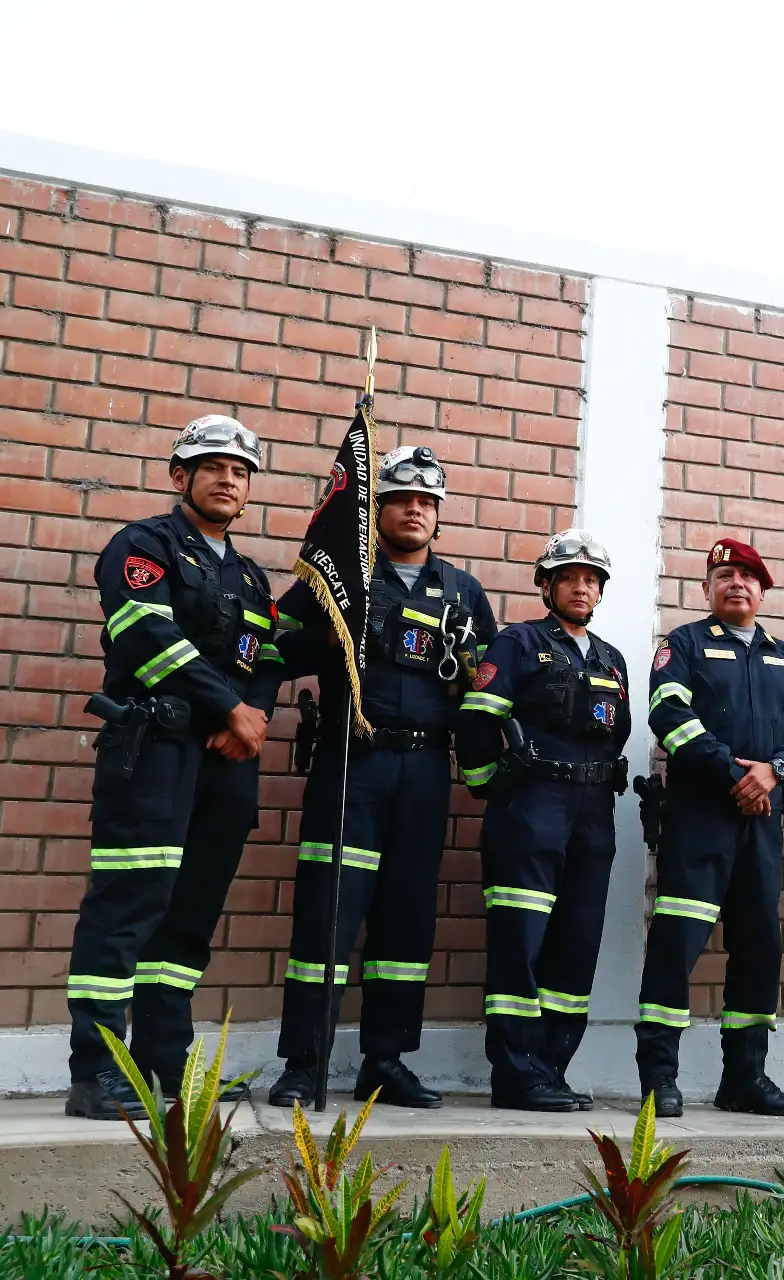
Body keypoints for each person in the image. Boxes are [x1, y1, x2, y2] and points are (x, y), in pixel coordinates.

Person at [63, 416, 279, 1119]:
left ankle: (165, 1065)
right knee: (126, 911)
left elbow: (264, 659)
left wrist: (249, 717)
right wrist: (228, 710)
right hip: (155, 752)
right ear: (178, 476)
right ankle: (96, 1072)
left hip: (223, 763)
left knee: (186, 924)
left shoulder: (249, 574)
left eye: (240, 471)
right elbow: (146, 635)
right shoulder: (144, 545)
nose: (228, 479)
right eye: (212, 466)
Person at [266, 447, 495, 1109]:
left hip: (426, 770)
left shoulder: (463, 593)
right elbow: (271, 644)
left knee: (405, 920)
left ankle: (385, 1061)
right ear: (379, 508)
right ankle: (303, 1063)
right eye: (402, 499)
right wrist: (327, 641)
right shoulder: (339, 581)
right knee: (327, 917)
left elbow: (482, 689)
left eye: (427, 502)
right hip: (351, 761)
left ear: (437, 516)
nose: (415, 510)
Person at [636, 538, 784, 1117]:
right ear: (706, 590)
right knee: (677, 944)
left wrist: (775, 772)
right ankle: (659, 1077)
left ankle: (744, 1078)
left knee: (758, 947)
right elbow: (669, 715)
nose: (736, 584)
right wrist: (733, 775)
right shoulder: (684, 645)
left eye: (747, 576)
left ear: (763, 591)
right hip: (700, 820)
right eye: (723, 575)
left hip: (764, 827)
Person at [454, 530, 630, 1112]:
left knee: (576, 945)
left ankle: (552, 1069)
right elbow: (477, 721)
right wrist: (490, 784)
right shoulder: (517, 644)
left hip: (592, 817)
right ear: (547, 584)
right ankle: (515, 1073)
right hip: (531, 810)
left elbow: (618, 734)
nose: (582, 588)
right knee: (520, 944)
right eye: (570, 577)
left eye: (591, 580)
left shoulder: (612, 659)